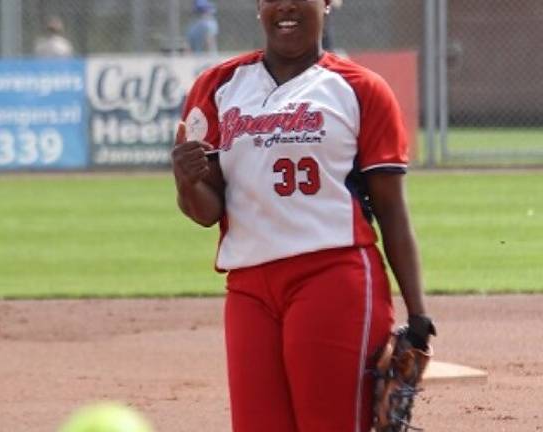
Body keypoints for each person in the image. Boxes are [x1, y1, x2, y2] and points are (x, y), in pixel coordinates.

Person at [171, 0, 435, 431]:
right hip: (249, 289)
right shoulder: (219, 86)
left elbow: (392, 210)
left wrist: (419, 313)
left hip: (334, 278)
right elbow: (205, 212)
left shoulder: (359, 89)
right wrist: (185, 182)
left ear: (329, 3)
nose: (286, 5)